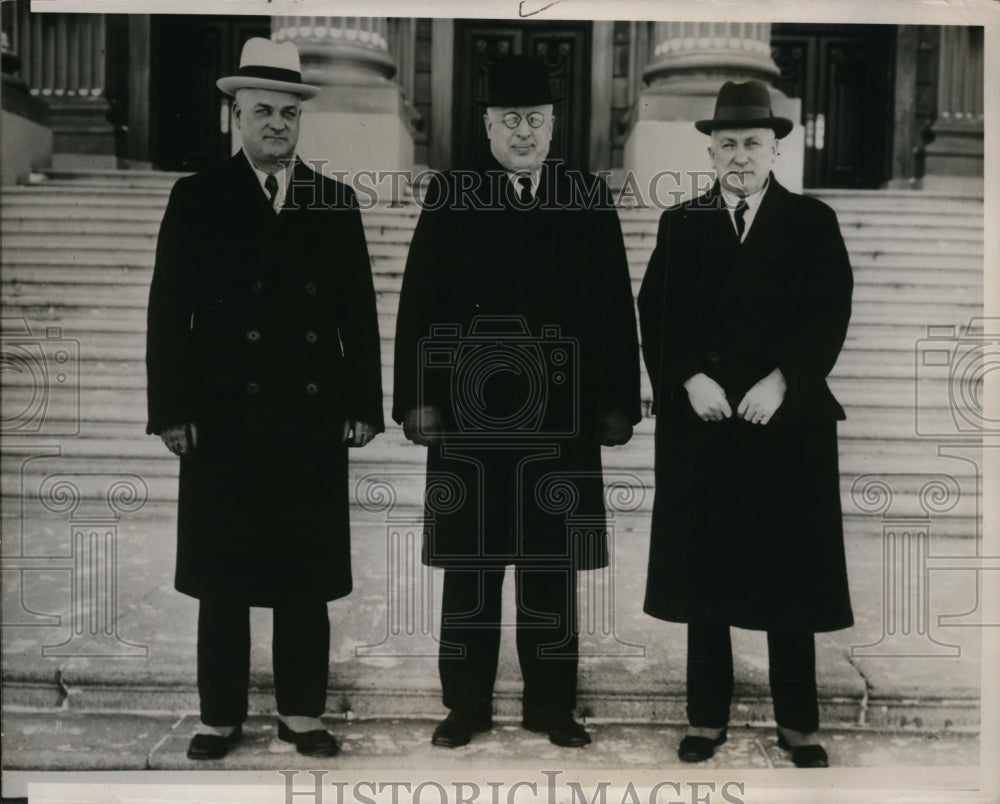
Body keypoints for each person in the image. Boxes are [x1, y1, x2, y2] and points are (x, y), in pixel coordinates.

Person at [145, 37, 384, 761]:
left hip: (308, 417)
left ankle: (302, 713)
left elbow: (357, 312)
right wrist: (171, 409)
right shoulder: (196, 198)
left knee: (302, 575)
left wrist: (362, 403)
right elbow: (168, 311)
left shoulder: (332, 201)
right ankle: (220, 715)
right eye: (262, 111)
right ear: (235, 116)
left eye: (288, 112)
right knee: (223, 577)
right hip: (222, 416)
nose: (277, 124)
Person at [393, 55, 641, 749]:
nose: (523, 132)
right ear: (487, 125)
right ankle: (465, 703)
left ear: (554, 124)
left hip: (560, 421)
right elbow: (419, 300)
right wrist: (417, 399)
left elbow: (616, 306)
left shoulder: (585, 195)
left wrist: (618, 400)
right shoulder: (453, 192)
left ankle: (552, 705)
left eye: (535, 119)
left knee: (550, 566)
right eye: (510, 120)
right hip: (470, 415)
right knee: (471, 566)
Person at [637, 79, 854, 768]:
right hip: (705, 423)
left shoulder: (812, 221)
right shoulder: (682, 224)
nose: (740, 156)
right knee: (706, 578)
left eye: (752, 143)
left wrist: (783, 378)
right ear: (710, 151)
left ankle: (798, 725)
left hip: (784, 426)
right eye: (727, 143)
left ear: (774, 149)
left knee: (789, 576)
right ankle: (705, 718)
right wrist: (686, 377)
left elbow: (830, 313)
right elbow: (655, 314)